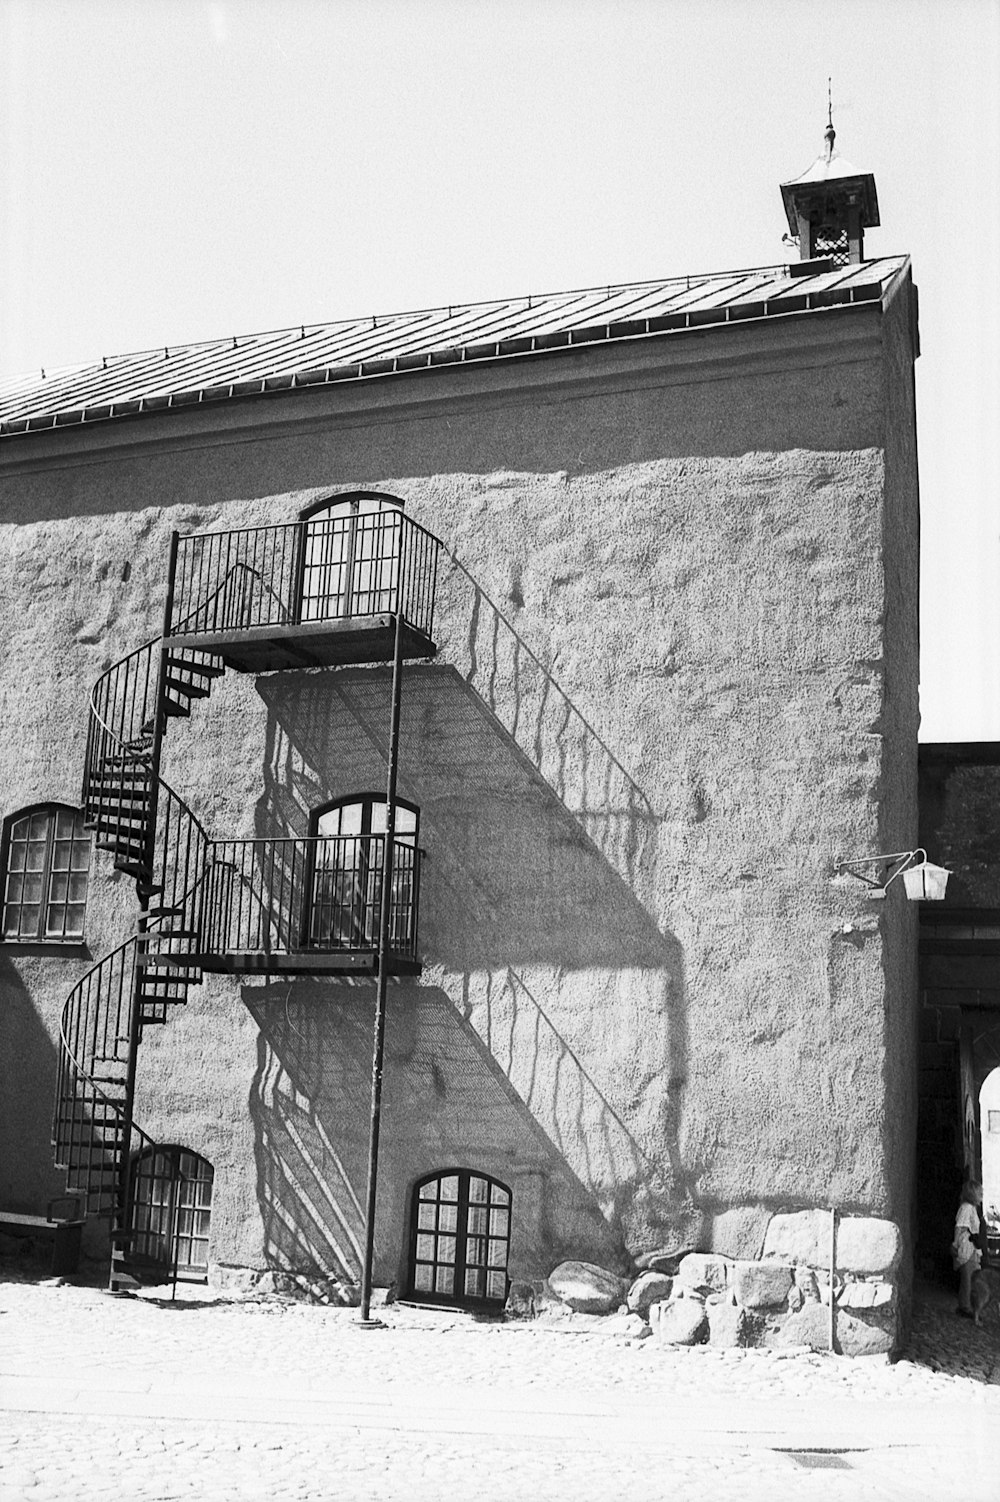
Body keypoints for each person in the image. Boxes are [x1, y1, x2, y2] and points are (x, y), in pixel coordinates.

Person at [951, 1177, 984, 1318]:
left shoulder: (971, 1208)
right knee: (968, 1278)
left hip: (972, 1247)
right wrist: (955, 1244)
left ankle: (969, 1306)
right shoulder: (966, 1208)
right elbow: (959, 1227)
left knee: (972, 1278)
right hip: (967, 1246)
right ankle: (965, 1307)